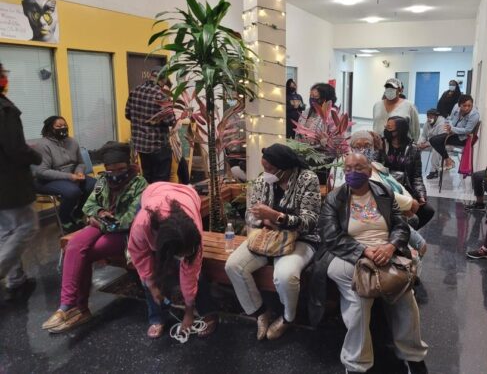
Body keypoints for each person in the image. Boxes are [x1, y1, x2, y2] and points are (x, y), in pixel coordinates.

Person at [316, 153, 428, 373]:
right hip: (347, 254)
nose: (352, 172)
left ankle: (413, 356)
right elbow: (331, 236)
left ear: (369, 171)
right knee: (359, 302)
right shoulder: (335, 198)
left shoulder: (383, 192)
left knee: (406, 300)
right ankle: (356, 363)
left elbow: (400, 225)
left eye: (358, 168)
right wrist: (363, 251)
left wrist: (390, 246)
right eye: (348, 169)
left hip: (385, 251)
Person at [42, 143, 147, 333]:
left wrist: (99, 221)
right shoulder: (103, 181)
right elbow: (89, 205)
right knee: (74, 246)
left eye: (121, 169)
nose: (115, 174)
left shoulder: (140, 184)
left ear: (129, 164)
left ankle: (81, 308)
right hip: (101, 223)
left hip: (123, 233)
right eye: (111, 170)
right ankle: (66, 305)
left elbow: (128, 221)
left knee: (87, 253)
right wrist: (98, 212)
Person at [225, 144, 321, 340]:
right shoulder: (263, 180)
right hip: (267, 236)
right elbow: (250, 214)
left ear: (284, 167)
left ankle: (288, 317)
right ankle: (260, 312)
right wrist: (264, 221)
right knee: (233, 266)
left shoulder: (307, 179)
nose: (265, 172)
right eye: (264, 167)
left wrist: (278, 217)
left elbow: (310, 222)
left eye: (269, 168)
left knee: (285, 275)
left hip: (301, 239)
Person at [128, 182, 218, 339]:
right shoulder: (141, 225)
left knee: (195, 269)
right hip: (152, 193)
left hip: (186, 196)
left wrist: (189, 311)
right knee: (151, 272)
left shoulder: (192, 230)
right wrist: (152, 287)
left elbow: (190, 271)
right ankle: (156, 317)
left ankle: (207, 312)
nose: (183, 258)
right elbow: (140, 256)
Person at [349, 131, 427, 269]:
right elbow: (378, 192)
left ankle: (410, 265)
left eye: (367, 145)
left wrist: (409, 200)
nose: (363, 150)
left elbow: (396, 185)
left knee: (419, 238)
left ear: (374, 147)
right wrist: (409, 203)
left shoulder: (375, 166)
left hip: (394, 209)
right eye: (358, 146)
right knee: (419, 245)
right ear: (351, 148)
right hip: (379, 214)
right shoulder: (354, 170)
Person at [0, 63, 42, 302]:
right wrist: (34, 155)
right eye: (3, 75)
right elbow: (15, 149)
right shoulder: (5, 109)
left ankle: (16, 279)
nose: (6, 79)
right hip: (9, 183)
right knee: (27, 226)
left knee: (6, 230)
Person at [34, 115, 96, 231]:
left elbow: (80, 163)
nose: (63, 128)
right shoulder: (43, 145)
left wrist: (79, 172)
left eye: (64, 125)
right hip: (47, 180)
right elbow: (42, 172)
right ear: (50, 128)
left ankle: (78, 213)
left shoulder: (72, 141)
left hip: (72, 176)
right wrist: (69, 176)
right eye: (58, 126)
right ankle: (64, 219)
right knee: (72, 191)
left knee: (95, 185)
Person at [125, 67, 176, 184]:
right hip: (158, 146)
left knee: (147, 178)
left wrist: (140, 120)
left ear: (150, 76)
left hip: (141, 146)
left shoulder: (134, 91)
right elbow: (170, 121)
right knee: (161, 182)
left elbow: (127, 114)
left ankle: (148, 196)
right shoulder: (161, 95)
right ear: (164, 79)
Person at [383, 117, 435, 229]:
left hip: (404, 187)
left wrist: (421, 195)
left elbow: (416, 176)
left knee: (427, 211)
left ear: (400, 130)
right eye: (386, 127)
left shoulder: (413, 149)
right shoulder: (382, 145)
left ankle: (407, 232)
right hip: (385, 187)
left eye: (389, 128)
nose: (386, 130)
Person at [295, 82, 338, 184]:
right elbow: (298, 132)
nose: (312, 100)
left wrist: (325, 141)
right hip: (303, 158)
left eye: (316, 97)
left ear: (325, 98)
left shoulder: (332, 114)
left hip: (322, 162)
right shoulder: (307, 112)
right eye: (311, 97)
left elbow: (337, 141)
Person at [428, 94, 480, 174]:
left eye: (469, 106)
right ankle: (447, 160)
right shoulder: (456, 107)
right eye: (464, 105)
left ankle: (447, 161)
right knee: (433, 140)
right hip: (453, 133)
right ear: (459, 105)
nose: (467, 108)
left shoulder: (474, 115)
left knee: (435, 141)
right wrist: (449, 126)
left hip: (463, 138)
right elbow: (451, 119)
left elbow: (467, 130)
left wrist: (452, 129)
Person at [417, 109, 446, 179]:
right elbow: (424, 136)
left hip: (442, 143)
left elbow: (440, 139)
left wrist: (427, 144)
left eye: (431, 116)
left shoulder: (442, 124)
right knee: (417, 146)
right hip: (431, 142)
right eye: (428, 116)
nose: (429, 118)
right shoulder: (427, 123)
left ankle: (434, 171)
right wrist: (421, 143)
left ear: (436, 116)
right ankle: (416, 165)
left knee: (436, 149)